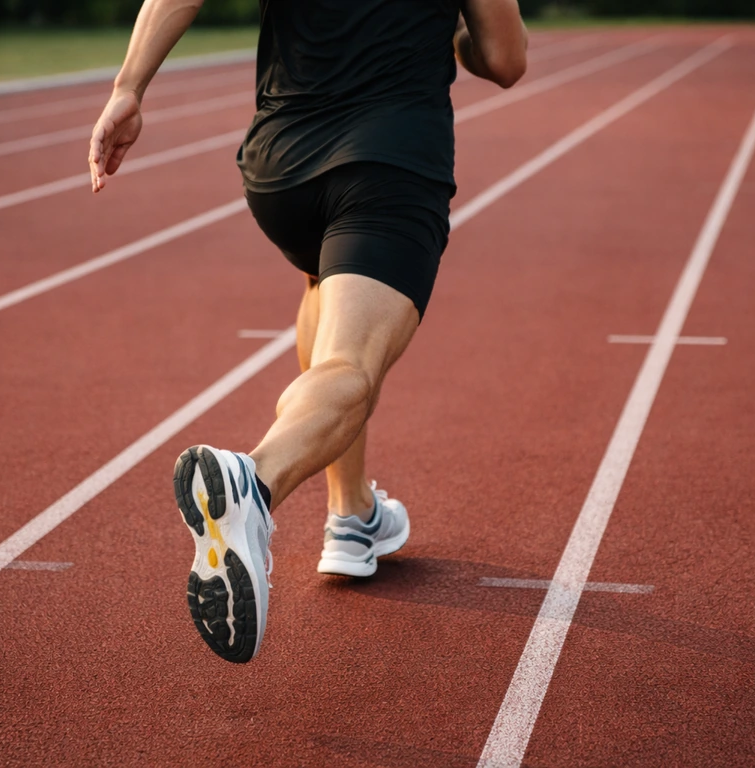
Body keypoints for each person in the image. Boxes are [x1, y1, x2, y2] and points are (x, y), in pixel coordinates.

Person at [89, 0, 528, 663]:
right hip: (387, 166)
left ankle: (353, 518)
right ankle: (253, 482)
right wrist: (454, 35)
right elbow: (506, 59)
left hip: (280, 168)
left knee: (326, 291)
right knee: (351, 365)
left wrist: (129, 87)